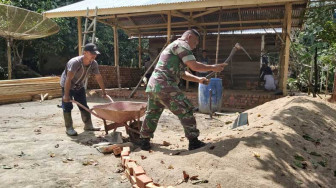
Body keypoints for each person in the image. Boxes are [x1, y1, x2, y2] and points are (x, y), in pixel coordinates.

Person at [139, 29, 228, 151]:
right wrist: (213, 67)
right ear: (189, 37)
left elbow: (182, 73)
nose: (195, 46)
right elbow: (194, 66)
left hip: (154, 86)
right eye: (195, 42)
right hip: (165, 85)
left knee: (152, 114)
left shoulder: (174, 46)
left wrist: (199, 80)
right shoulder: (182, 45)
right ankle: (194, 142)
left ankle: (144, 141)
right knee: (186, 110)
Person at [60, 43, 107, 136]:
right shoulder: (75, 62)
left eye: (95, 53)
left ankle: (88, 125)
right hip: (67, 85)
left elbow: (98, 77)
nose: (94, 55)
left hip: (79, 85)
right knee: (67, 106)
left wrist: (104, 91)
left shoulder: (93, 63)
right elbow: (68, 79)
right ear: (85, 53)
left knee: (83, 105)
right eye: (92, 53)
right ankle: (69, 128)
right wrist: (66, 95)